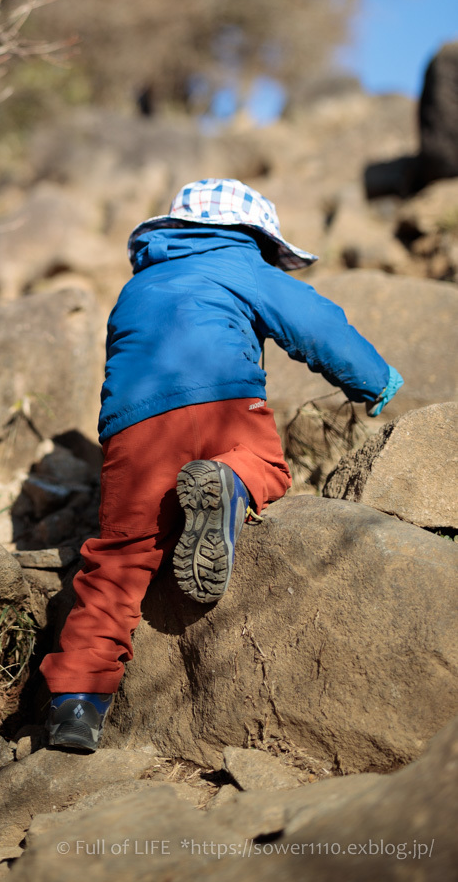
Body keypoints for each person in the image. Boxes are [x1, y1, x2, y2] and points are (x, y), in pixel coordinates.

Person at [41, 178, 403, 753]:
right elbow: (316, 325)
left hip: (136, 431)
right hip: (225, 404)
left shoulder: (135, 288)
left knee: (119, 562)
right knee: (267, 464)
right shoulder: (243, 264)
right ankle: (231, 484)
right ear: (252, 235)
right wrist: (374, 380)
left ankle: (77, 705)